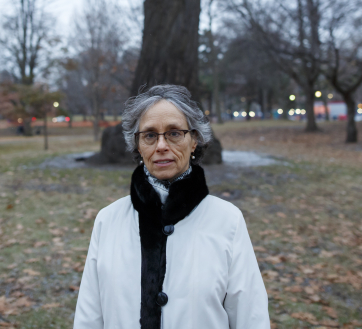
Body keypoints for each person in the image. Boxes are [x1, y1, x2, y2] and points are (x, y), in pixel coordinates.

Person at [74, 84, 270, 329]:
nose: (161, 146)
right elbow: (89, 317)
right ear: (137, 145)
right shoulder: (108, 220)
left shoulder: (228, 220)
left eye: (174, 133)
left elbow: (250, 316)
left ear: (194, 140)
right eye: (149, 135)